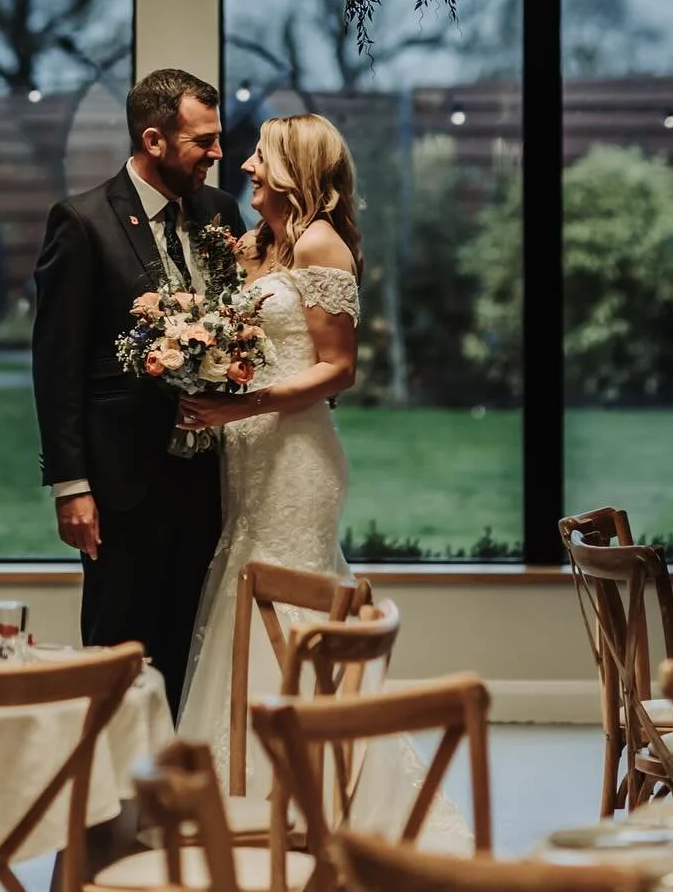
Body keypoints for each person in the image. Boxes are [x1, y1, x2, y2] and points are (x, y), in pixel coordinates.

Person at [174, 112, 469, 851]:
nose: (244, 165)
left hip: (296, 456)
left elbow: (340, 367)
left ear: (293, 168)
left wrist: (247, 401)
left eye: (260, 156)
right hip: (246, 454)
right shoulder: (265, 245)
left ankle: (316, 789)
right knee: (242, 592)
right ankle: (253, 790)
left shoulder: (320, 242)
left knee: (290, 600)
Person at [31, 66, 245, 717]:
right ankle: (105, 800)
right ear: (154, 140)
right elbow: (56, 363)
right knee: (118, 650)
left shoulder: (220, 213)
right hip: (123, 482)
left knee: (191, 647)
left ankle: (172, 796)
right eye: (202, 141)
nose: (217, 153)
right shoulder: (82, 221)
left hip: (209, 477)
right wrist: (72, 486)